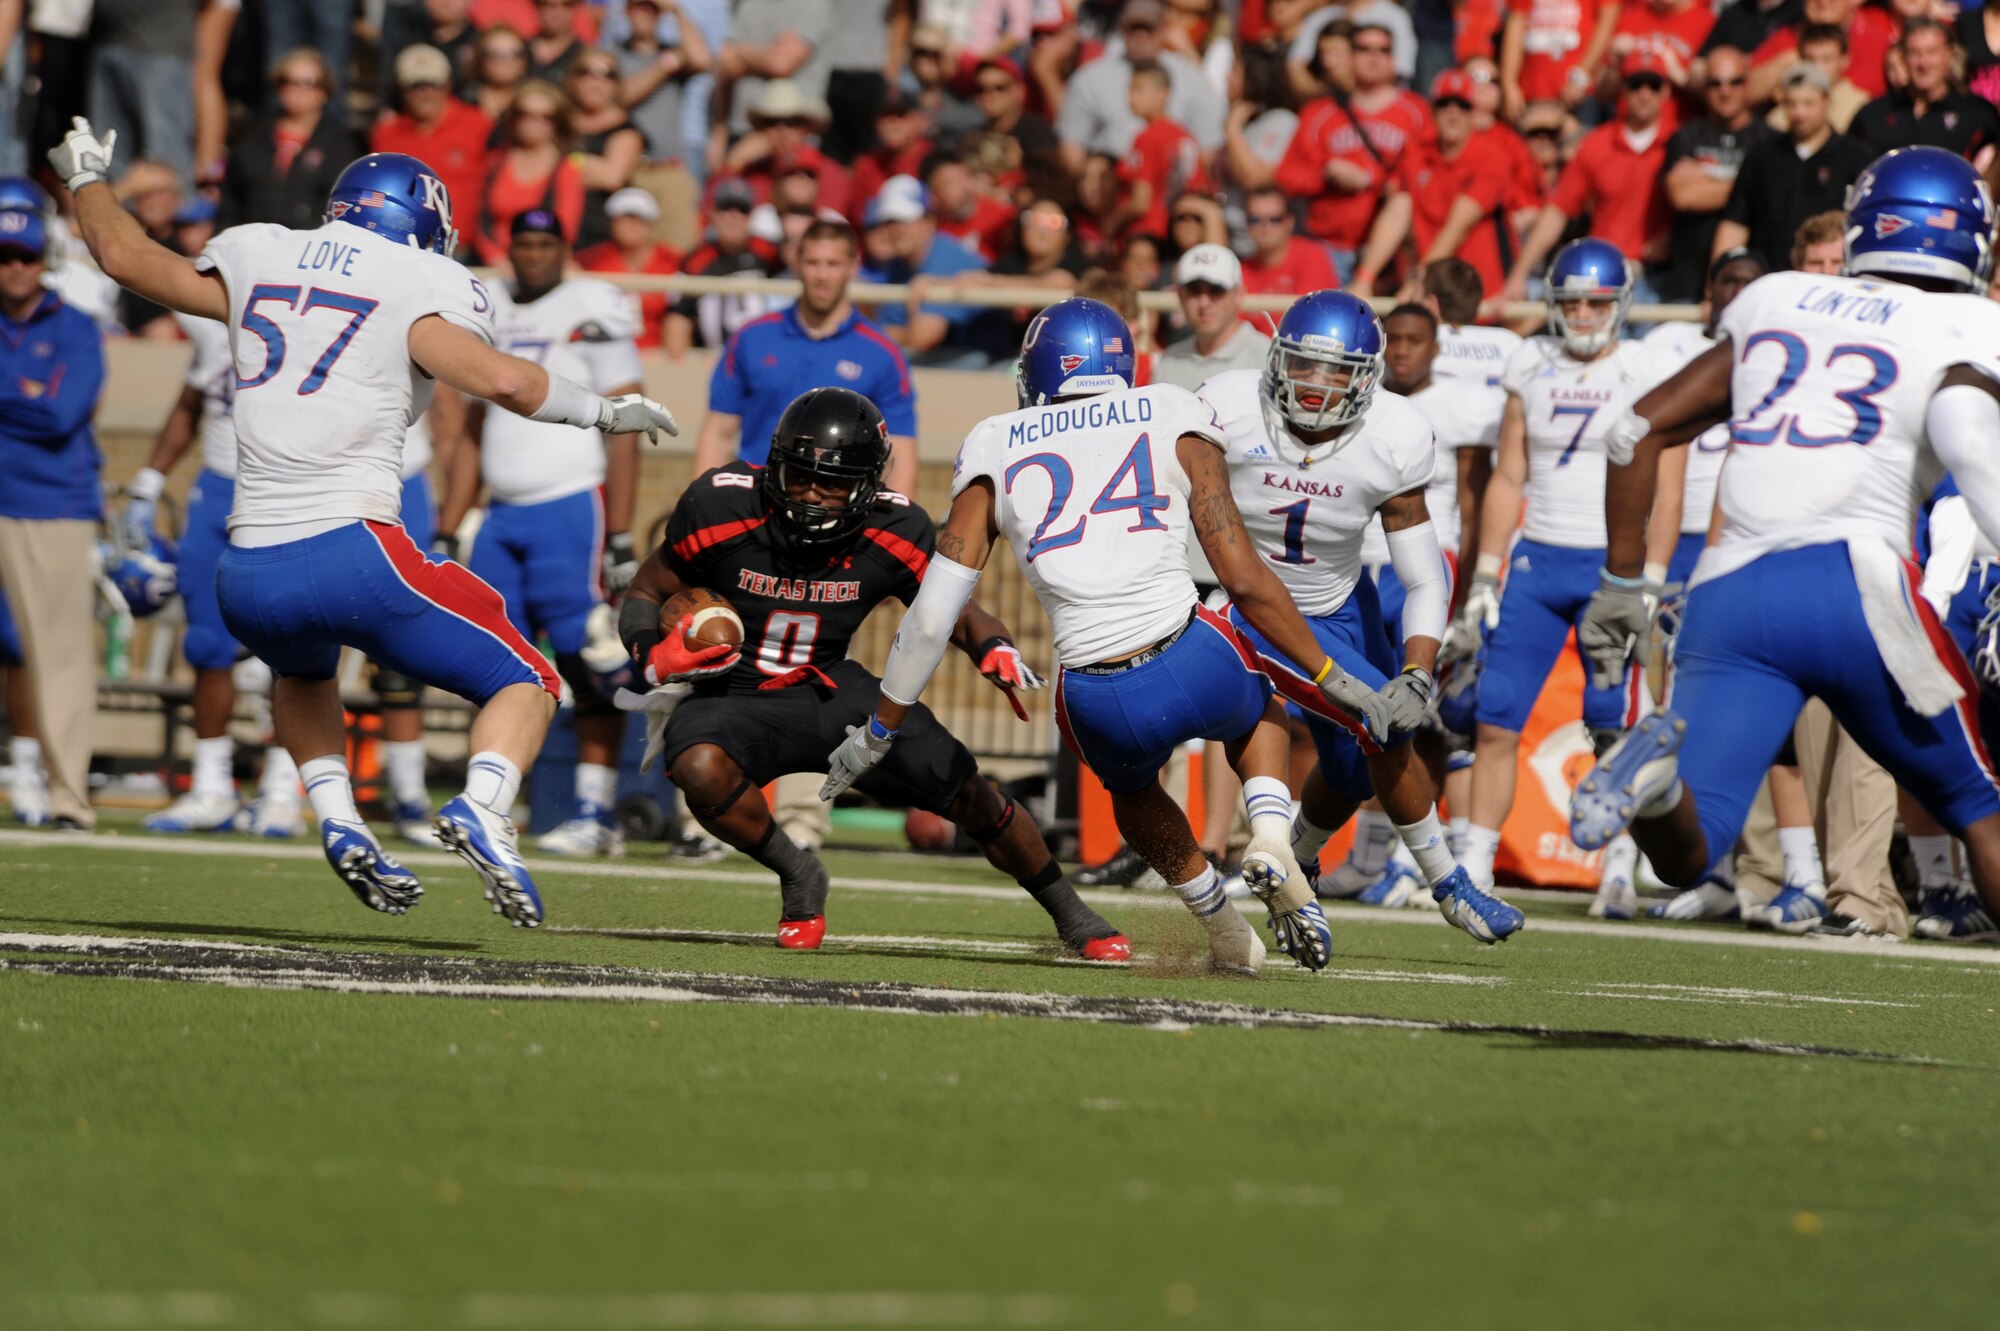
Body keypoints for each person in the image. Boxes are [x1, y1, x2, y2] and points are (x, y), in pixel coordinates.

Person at [52, 128, 675, 921]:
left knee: (304, 673)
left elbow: (124, 257)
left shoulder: (261, 253)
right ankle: (483, 807)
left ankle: (340, 819)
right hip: (350, 548)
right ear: (419, 221)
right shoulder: (416, 278)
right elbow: (505, 382)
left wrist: (86, 179)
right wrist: (606, 409)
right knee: (531, 678)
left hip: (246, 569)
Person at [821, 298, 1353, 975]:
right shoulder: (1170, 407)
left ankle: (1224, 928)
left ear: (1038, 367)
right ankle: (1273, 834)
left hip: (1094, 694)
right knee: (1260, 704)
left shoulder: (995, 440)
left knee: (1131, 792)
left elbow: (931, 615)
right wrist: (1331, 673)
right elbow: (1243, 576)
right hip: (1191, 654)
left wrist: (878, 731)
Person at [1570, 147, 2000, 945]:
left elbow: (1634, 433)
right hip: (1856, 585)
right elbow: (1972, 449)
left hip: (1730, 593)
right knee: (1980, 807)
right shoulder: (1970, 324)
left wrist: (1623, 582)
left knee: (1690, 853)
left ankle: (1657, 790)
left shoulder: (1778, 297)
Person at [620, 385, 1130, 959]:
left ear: (867, 486)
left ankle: (1071, 912)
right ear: (775, 466)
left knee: (966, 789)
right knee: (699, 766)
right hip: (733, 693)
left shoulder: (897, 526)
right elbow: (646, 587)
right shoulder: (721, 504)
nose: (812, 494)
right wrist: (650, 653)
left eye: (832, 483)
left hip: (829, 688)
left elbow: (954, 608)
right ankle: (798, 872)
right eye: (801, 476)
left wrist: (991, 646)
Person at [1188, 293, 1525, 940]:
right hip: (1250, 608)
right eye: (1305, 365)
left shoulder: (1392, 435)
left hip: (1343, 603)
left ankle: (1298, 861)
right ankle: (1450, 884)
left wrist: (1419, 671)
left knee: (1347, 767)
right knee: (1381, 727)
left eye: (1337, 371)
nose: (1317, 385)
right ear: (1277, 359)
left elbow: (1425, 572)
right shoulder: (1227, 407)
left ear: (1366, 376)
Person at [1446, 238, 1654, 904]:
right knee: (1496, 714)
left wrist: (1647, 571)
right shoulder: (1530, 360)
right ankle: (1475, 861)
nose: (1585, 314)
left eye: (1597, 301)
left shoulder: (1644, 367)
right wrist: (1485, 573)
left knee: (1610, 723)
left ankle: (1620, 861)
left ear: (1620, 303)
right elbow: (1510, 474)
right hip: (1537, 558)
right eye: (1572, 301)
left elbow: (1662, 481)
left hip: (1609, 563)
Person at [436, 208, 647, 859]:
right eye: (522, 242)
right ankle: (500, 801)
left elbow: (628, 421)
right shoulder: (488, 302)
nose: (532, 255)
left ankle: (595, 808)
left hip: (568, 506)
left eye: (544, 243)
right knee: (502, 661)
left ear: (563, 247)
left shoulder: (593, 305)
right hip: (501, 514)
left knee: (591, 660)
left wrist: (620, 531)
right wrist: (449, 523)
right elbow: (474, 428)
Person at [126, 310, 307, 837]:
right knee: (206, 644)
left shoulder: (324, 313)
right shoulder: (216, 320)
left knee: (293, 647)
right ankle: (211, 787)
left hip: (287, 493)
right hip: (217, 490)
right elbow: (190, 404)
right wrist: (148, 481)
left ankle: (280, 790)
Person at [0, 202, 102, 832]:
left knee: (60, 654)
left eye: (26, 256)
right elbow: (42, 406)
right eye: (4, 258)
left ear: (47, 260)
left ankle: (69, 798)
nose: (14, 268)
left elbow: (64, 414)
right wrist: (24, 393)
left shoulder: (77, 326)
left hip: (52, 502)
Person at [697, 218, 917, 494]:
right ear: (797, 263)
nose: (822, 275)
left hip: (842, 506)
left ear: (852, 266)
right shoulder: (751, 338)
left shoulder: (883, 353)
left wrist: (892, 526)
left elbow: (900, 448)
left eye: (833, 264)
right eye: (813, 263)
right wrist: (703, 501)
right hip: (760, 499)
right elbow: (719, 431)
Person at [1502, 50, 1673, 308]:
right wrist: (1518, 276)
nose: (1644, 93)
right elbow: (1557, 211)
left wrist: (1672, 235)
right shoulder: (1597, 144)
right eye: (1636, 84)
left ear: (1666, 91)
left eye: (1653, 84)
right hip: (1602, 279)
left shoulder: (1679, 141)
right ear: (1623, 89)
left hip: (1658, 278)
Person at [1274, 20, 1434, 284]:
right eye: (1364, 49)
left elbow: (1427, 179)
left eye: (1383, 50)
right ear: (1349, 56)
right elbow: (1287, 178)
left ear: (1394, 58)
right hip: (1328, 246)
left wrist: (1372, 179)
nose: (1374, 57)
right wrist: (1325, 174)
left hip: (1393, 253)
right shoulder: (1319, 113)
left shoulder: (1417, 113)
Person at [1350, 67, 1515, 300]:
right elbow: (1397, 212)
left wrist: (1418, 280)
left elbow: (1457, 226)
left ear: (1473, 113)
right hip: (1426, 291)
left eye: (1462, 106)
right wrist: (1364, 278)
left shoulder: (1492, 156)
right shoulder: (1416, 152)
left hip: (1475, 293)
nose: (1453, 114)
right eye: (1444, 105)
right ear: (1433, 110)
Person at [1711, 62, 1871, 268]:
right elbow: (1735, 223)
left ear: (1826, 101)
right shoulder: (1762, 156)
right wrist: (1716, 280)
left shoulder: (1856, 157)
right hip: (1771, 276)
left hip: (1830, 279)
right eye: (1792, 104)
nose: (1800, 113)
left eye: (1808, 103)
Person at [1056, 0, 1225, 174]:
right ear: (1122, 29)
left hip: (1173, 187)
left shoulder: (1191, 77)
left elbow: (1209, 147)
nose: (1141, 35)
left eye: (1149, 28)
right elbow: (1071, 144)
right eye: (1134, 28)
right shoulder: (1090, 77)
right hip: (1110, 186)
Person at [1660, 46, 1773, 305]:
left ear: (1748, 83)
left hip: (1755, 287)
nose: (1725, 91)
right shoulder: (1686, 136)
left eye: (1735, 82)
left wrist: (1706, 182)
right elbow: (1683, 196)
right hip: (1687, 285)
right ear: (1703, 88)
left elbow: (1771, 196)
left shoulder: (1770, 140)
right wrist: (1749, 185)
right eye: (1715, 83)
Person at [221, 50, 361, 232]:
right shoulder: (251, 137)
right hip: (254, 241)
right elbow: (230, 200)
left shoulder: (341, 145)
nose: (297, 90)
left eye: (309, 82)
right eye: (288, 81)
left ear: (325, 91)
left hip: (312, 244)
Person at [371, 44, 497, 245]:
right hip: (402, 248)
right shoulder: (387, 133)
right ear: (401, 89)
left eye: (432, 84)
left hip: (463, 248)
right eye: (415, 85)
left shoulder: (479, 124)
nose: (424, 93)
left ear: (447, 85)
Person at [1851, 19, 2000, 158]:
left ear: (1949, 54)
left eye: (1932, 52)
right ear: (1903, 57)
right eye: (1915, 53)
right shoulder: (1873, 115)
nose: (1924, 63)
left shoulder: (1978, 115)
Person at [475, 83, 587, 267]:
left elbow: (566, 230)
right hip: (496, 264)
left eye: (546, 117)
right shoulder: (495, 161)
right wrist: (495, 257)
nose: (535, 123)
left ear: (557, 122)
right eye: (526, 114)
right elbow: (479, 218)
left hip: (541, 264)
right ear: (514, 118)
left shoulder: (566, 168)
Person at [666, 177, 780, 355]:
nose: (733, 217)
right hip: (712, 359)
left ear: (751, 216)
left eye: (742, 209)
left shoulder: (768, 253)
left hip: (763, 357)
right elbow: (678, 317)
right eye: (726, 208)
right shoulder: (697, 261)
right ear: (713, 213)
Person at [1106, 65, 1207, 244]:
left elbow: (1140, 203)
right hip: (1182, 233)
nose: (1131, 97)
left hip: (1147, 234)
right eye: (1130, 89)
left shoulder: (1146, 137)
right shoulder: (1185, 136)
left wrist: (1111, 223)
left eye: (1138, 89)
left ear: (1163, 94)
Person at [1152, 244, 1271, 391]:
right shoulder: (1170, 360)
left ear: (1239, 294)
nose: (1204, 303)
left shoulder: (1267, 358)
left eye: (1216, 289)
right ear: (1180, 297)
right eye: (1194, 291)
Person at [565, 48, 650, 251]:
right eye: (587, 73)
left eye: (607, 75)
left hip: (599, 234)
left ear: (617, 84)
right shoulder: (558, 123)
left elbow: (611, 177)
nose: (596, 83)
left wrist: (565, 164)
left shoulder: (627, 130)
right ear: (573, 80)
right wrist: (592, 165)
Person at [577, 187, 682, 348]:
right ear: (612, 223)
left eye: (639, 219)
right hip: (608, 351)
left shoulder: (673, 262)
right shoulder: (594, 260)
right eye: (624, 218)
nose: (631, 225)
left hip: (659, 352)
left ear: (651, 224)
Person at [1239, 185, 1340, 309]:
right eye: (1255, 220)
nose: (1265, 227)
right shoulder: (1241, 271)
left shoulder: (1312, 255)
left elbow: (1313, 315)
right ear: (1246, 224)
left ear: (1290, 221)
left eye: (1275, 219)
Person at [1768, 22, 1870, 133]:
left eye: (1826, 59)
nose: (1817, 67)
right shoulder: (1787, 107)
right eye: (1810, 60)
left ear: (1845, 60)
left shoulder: (1859, 105)